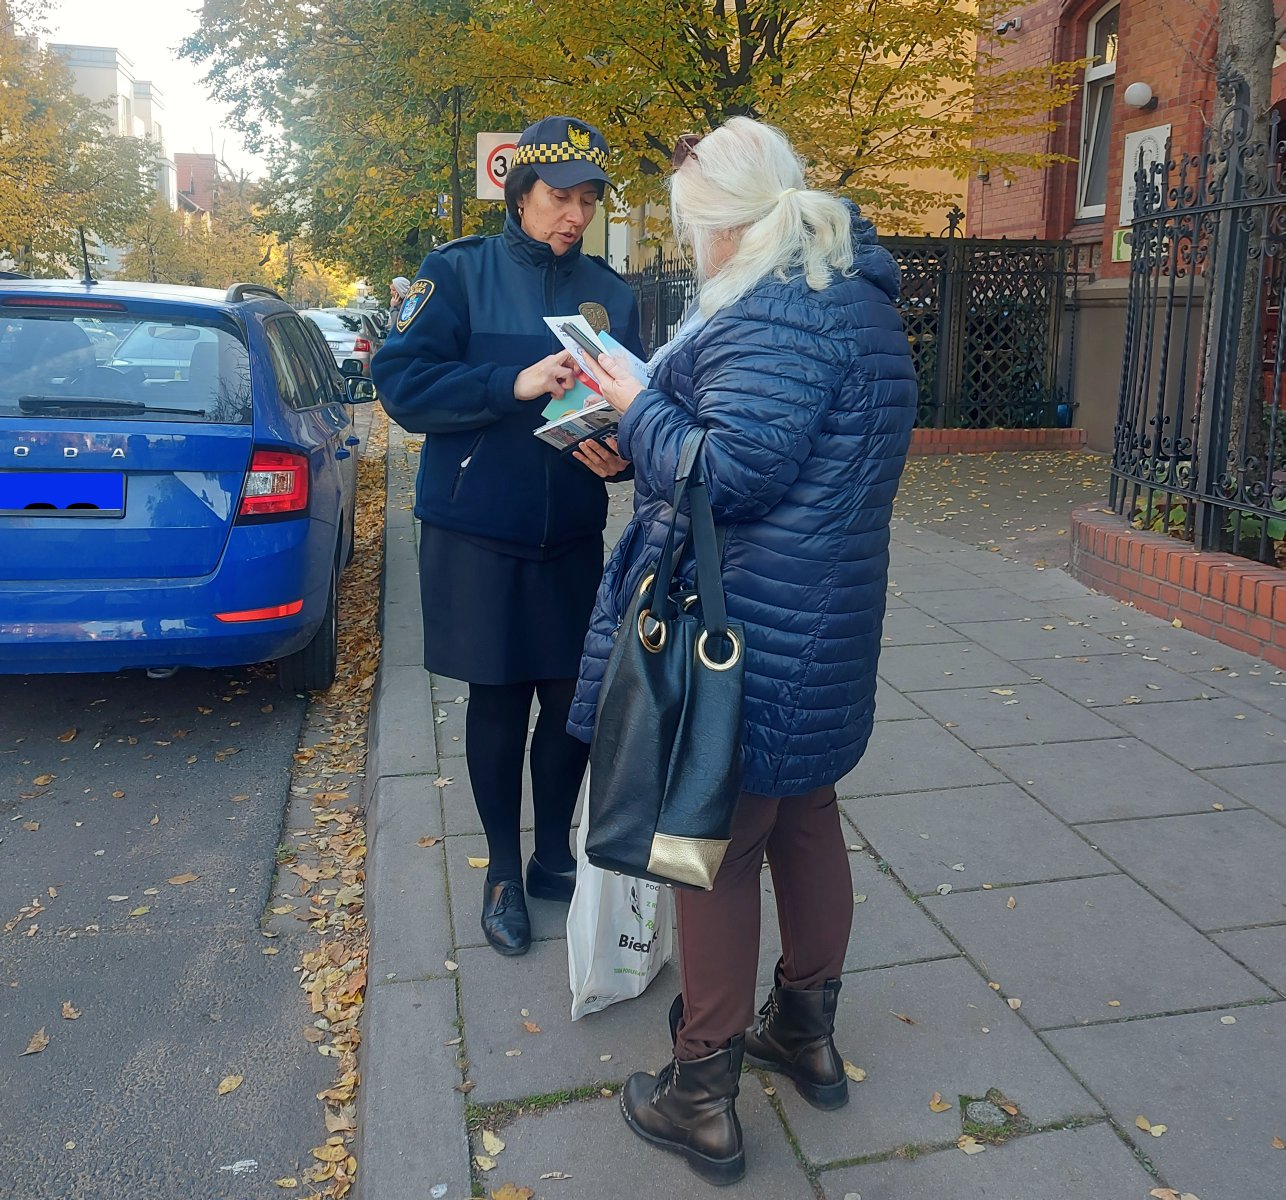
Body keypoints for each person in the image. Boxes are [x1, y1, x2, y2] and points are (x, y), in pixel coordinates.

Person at [568, 117, 917, 1185]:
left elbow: (730, 474)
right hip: (821, 616)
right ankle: (803, 1029)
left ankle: (699, 1091)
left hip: (746, 628)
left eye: (692, 231)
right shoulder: (849, 298)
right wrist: (640, 432)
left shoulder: (775, 313)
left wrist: (631, 411)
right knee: (805, 814)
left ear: (723, 225)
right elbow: (769, 453)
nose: (690, 249)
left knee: (710, 843)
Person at [372, 116, 643, 959]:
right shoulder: (455, 273)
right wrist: (511, 382)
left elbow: (636, 402)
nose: (574, 214)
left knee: (569, 705)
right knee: (497, 700)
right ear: (520, 192)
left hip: (569, 530)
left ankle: (554, 850)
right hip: (476, 530)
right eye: (559, 196)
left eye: (588, 199)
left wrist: (621, 458)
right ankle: (499, 870)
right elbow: (404, 385)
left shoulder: (612, 291)